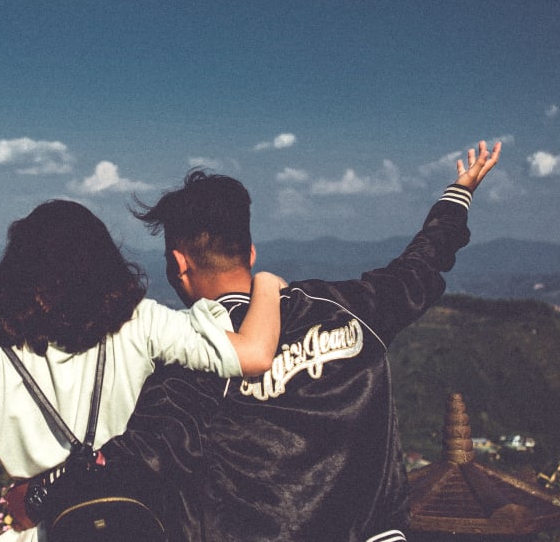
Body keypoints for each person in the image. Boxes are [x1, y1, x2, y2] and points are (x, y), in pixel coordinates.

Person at [97, 140, 501, 542]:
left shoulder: (192, 356)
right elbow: (422, 263)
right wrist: (459, 193)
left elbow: (140, 464)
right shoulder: (349, 309)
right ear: (250, 254)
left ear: (176, 264)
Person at [0, 199, 286, 539]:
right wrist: (264, 280)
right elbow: (253, 354)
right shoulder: (142, 324)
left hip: (44, 528)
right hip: (135, 524)